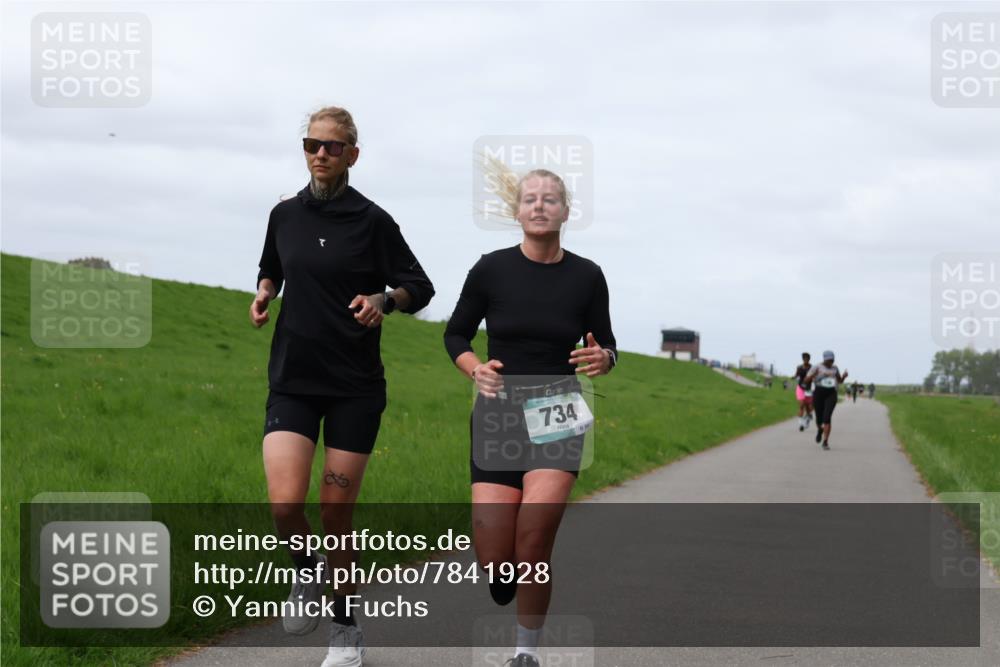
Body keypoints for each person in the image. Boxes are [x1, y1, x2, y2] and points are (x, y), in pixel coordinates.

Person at [251, 106, 434, 667]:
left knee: (335, 516)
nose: (320, 154)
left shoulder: (373, 220)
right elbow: (272, 267)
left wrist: (384, 299)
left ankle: (345, 630)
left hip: (354, 387)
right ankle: (307, 574)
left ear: (353, 154)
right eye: (312, 144)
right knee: (285, 504)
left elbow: (419, 286)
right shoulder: (284, 214)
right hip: (293, 380)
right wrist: (264, 293)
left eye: (332, 146)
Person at [444, 164, 616, 667]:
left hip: (557, 410)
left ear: (566, 212)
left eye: (550, 199)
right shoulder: (490, 269)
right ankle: (502, 571)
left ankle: (526, 652)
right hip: (498, 413)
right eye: (530, 199)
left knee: (534, 539)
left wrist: (604, 358)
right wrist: (475, 368)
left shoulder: (587, 276)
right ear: (517, 212)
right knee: (495, 556)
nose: (540, 205)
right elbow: (455, 334)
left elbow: (607, 343)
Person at [805, 350, 848, 450]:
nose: (831, 362)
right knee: (819, 418)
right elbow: (806, 380)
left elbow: (839, 381)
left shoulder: (835, 368)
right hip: (819, 393)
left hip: (831, 393)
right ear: (824, 359)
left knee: (827, 417)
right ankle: (820, 429)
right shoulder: (816, 367)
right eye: (829, 360)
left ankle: (825, 442)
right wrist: (813, 375)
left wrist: (844, 377)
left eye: (832, 360)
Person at [792, 352, 814, 431]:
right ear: (802, 359)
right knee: (801, 405)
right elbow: (796, 374)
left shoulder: (812, 367)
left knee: (808, 407)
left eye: (807, 358)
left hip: (809, 389)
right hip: (800, 388)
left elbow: (814, 376)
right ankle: (801, 424)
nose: (805, 360)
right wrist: (794, 377)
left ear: (809, 359)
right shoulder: (799, 367)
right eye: (804, 358)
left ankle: (807, 419)